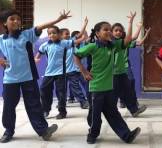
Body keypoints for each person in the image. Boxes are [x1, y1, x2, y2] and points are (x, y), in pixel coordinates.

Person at [0, 9, 69, 143]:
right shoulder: (2, 39)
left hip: (29, 78)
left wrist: (58, 20)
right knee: (8, 106)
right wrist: (2, 61)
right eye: (12, 19)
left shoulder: (27, 34)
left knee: (34, 105)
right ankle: (8, 131)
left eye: (18, 19)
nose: (16, 21)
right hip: (10, 79)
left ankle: (43, 130)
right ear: (4, 23)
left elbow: (41, 26)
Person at [74, 11, 141, 144]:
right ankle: (92, 134)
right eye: (106, 29)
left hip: (109, 86)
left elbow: (127, 40)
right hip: (96, 87)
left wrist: (130, 22)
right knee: (95, 114)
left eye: (110, 29)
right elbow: (76, 55)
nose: (109, 31)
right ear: (98, 33)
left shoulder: (113, 45)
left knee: (113, 112)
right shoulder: (92, 46)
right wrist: (84, 72)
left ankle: (126, 135)